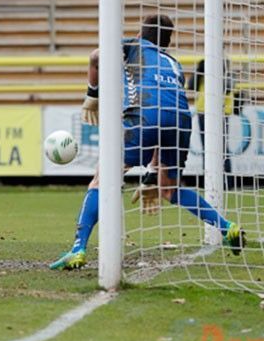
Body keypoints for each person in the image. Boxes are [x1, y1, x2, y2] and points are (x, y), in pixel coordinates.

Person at [50, 14, 246, 270]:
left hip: (143, 114)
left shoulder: (133, 45)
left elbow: (96, 57)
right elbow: (165, 112)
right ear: (166, 42)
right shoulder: (174, 64)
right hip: (180, 120)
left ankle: (78, 249)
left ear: (141, 34)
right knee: (170, 189)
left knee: (101, 179)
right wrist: (152, 175)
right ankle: (227, 227)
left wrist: (92, 95)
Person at [187, 58, 235, 189]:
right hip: (204, 113)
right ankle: (209, 182)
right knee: (206, 148)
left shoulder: (227, 76)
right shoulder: (203, 77)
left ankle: (227, 182)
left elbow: (228, 88)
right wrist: (198, 71)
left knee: (222, 148)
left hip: (221, 114)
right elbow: (191, 86)